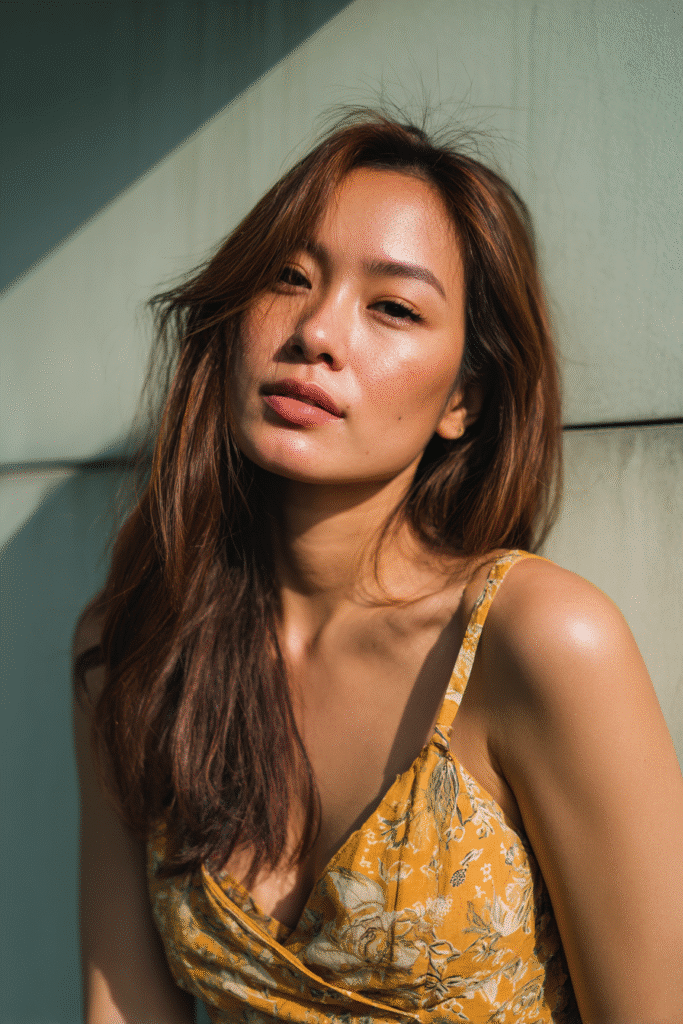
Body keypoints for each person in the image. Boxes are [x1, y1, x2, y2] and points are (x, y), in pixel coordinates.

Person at [73, 109, 683, 1024]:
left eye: (391, 307)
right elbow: (119, 1005)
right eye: (287, 278)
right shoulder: (137, 642)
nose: (317, 331)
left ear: (463, 402)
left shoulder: (538, 641)